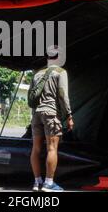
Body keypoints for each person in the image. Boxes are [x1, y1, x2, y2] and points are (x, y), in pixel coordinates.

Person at [29, 54, 74, 192]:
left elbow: (31, 97)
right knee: (52, 148)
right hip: (51, 113)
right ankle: (49, 184)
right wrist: (68, 115)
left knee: (36, 149)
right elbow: (62, 94)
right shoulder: (60, 72)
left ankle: (37, 182)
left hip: (36, 114)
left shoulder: (37, 74)